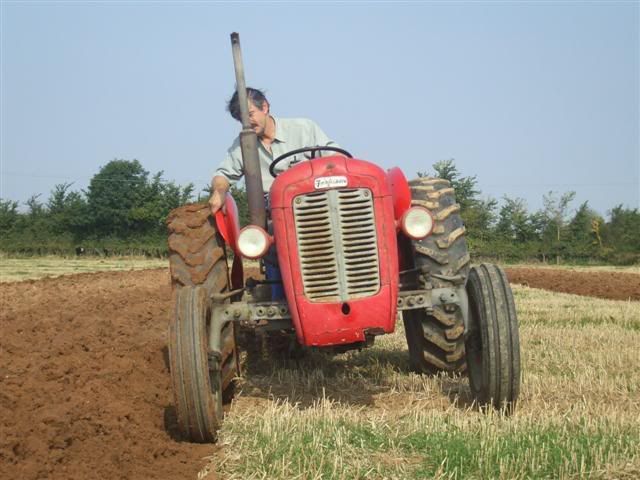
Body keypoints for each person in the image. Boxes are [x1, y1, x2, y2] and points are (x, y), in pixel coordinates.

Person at [209, 87, 339, 215]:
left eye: (250, 114)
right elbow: (222, 175)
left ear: (264, 107)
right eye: (241, 119)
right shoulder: (242, 145)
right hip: (272, 213)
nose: (247, 122)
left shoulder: (303, 129)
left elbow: (336, 157)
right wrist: (219, 191)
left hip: (314, 204)